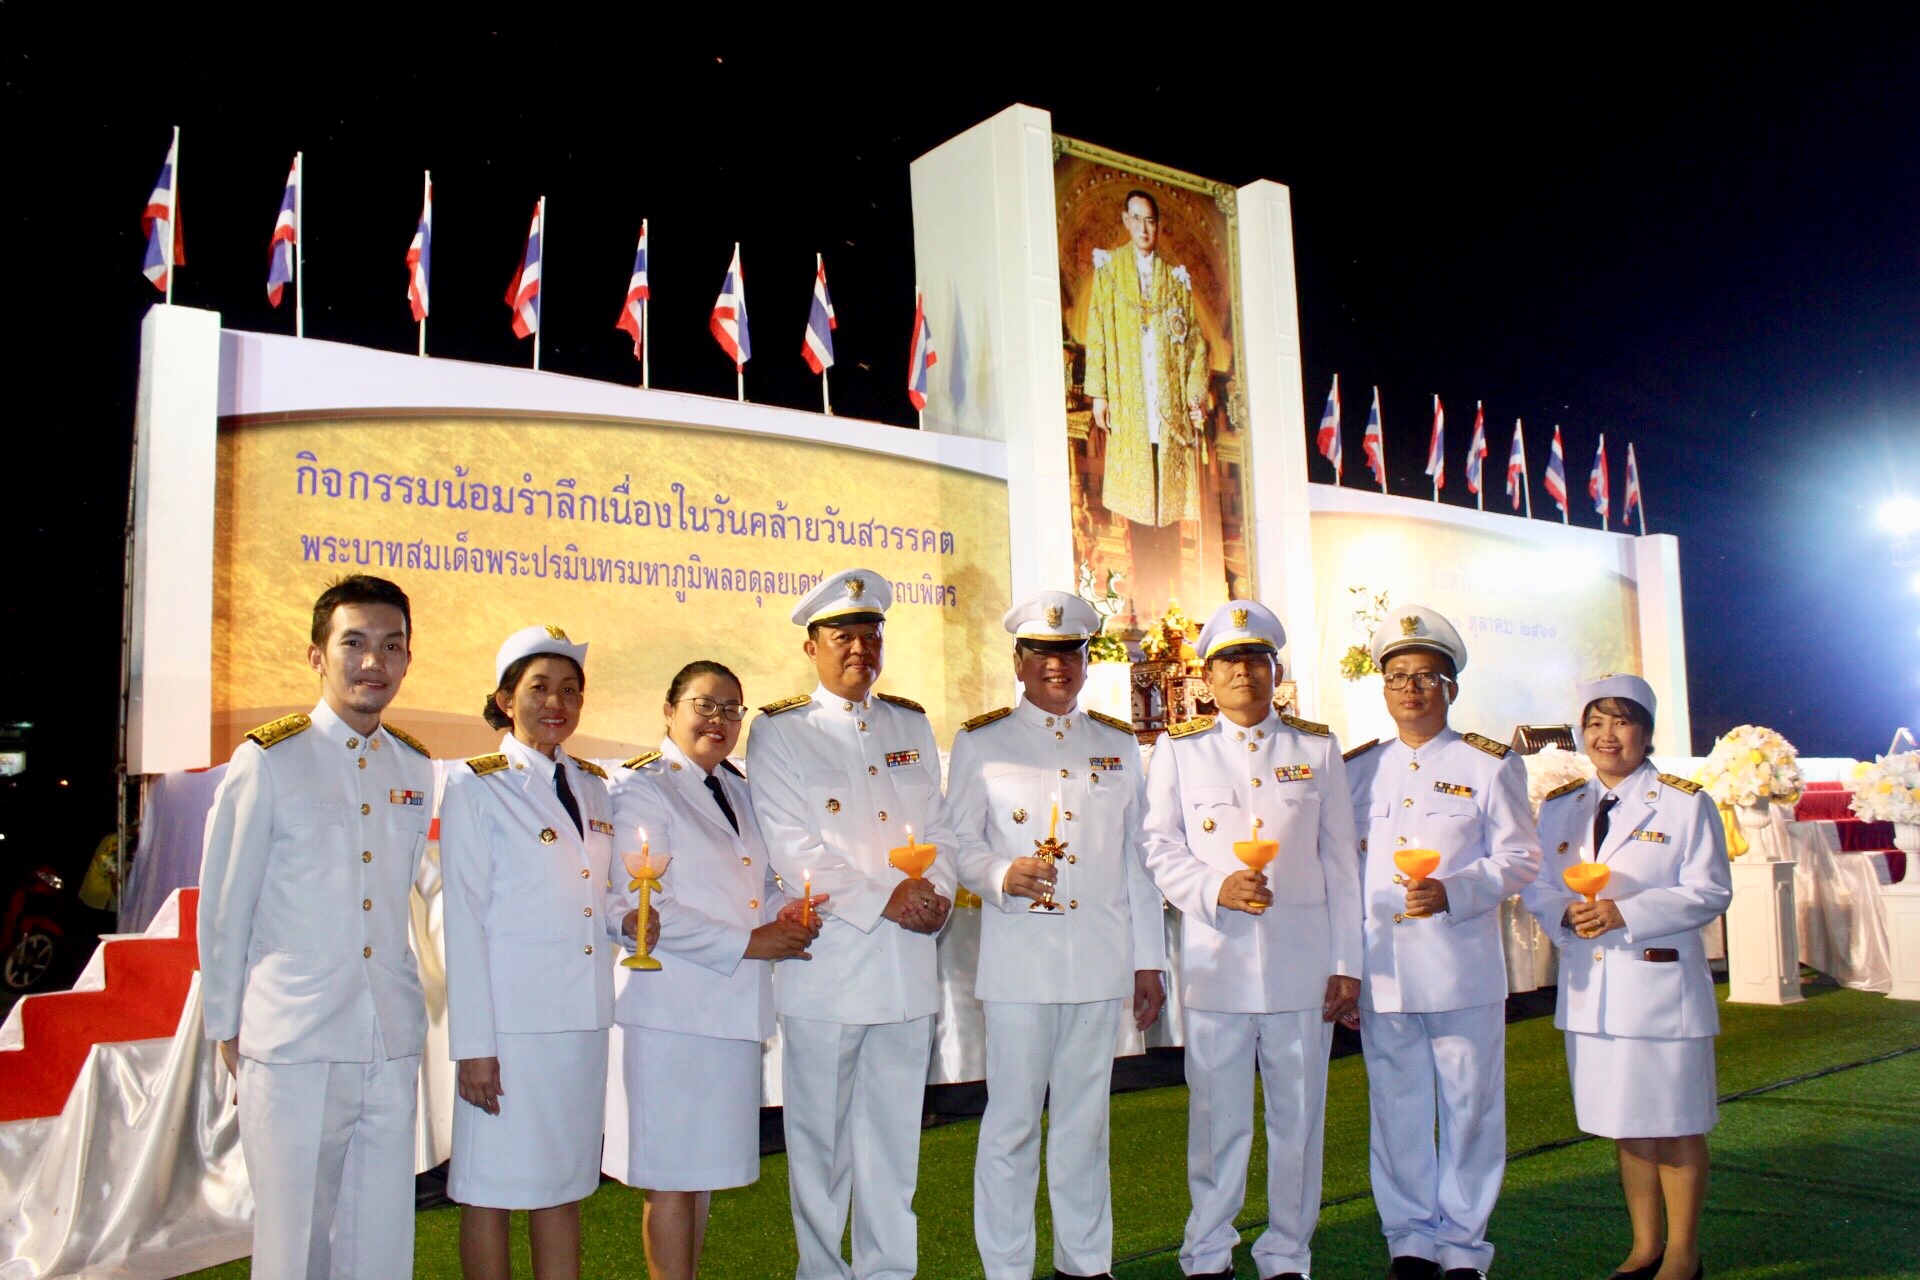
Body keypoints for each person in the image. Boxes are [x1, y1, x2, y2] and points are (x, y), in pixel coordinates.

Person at [199, 574, 434, 1280]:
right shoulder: (269, 758)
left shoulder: (415, 766)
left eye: (392, 646)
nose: (374, 663)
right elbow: (225, 906)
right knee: (293, 1242)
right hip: (293, 1040)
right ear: (316, 655)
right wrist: (228, 1029)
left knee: (382, 1239)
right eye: (354, 643)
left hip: (388, 1036)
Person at [744, 567, 959, 1280]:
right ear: (812, 647)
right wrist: (885, 899)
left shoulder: (908, 722)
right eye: (844, 636)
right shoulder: (781, 731)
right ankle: (822, 1270)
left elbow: (942, 828)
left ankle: (889, 1270)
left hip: (904, 968)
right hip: (831, 966)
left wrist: (940, 894)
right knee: (821, 1143)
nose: (860, 648)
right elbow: (791, 847)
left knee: (895, 1142)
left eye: (871, 635)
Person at [948, 591, 1169, 1280]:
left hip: (1099, 963)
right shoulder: (981, 742)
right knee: (1012, 1123)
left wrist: (1148, 962)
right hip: (1019, 963)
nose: (1056, 666)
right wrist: (995, 871)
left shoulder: (1114, 743)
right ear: (1018, 661)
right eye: (1042, 653)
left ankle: (1085, 1263)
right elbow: (953, 841)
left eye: (1069, 652)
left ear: (1084, 660)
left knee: (1085, 1123)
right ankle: (1009, 1268)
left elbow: (1137, 858)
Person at [1141, 600, 1362, 1280]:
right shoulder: (1180, 751)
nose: (1243, 672)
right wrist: (1213, 889)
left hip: (1302, 963)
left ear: (1275, 670)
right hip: (1218, 957)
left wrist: (1347, 962)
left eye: (1255, 659)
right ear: (1206, 677)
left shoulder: (1316, 748)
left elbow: (1341, 863)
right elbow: (1159, 849)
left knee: (1298, 1119)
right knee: (1217, 1120)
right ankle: (1208, 1249)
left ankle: (1288, 1250)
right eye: (1229, 661)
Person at [1342, 605, 1541, 1280]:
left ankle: (1462, 1245)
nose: (1411, 689)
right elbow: (1342, 871)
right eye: (1399, 676)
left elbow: (1519, 857)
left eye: (1427, 676)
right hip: (1384, 968)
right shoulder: (1358, 770)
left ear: (1450, 688)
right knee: (1396, 1109)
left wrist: (1457, 889)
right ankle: (1409, 1241)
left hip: (1459, 963)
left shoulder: (1488, 763)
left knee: (1470, 1106)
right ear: (1384, 687)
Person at [608, 659, 824, 1280]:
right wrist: (749, 942)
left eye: (733, 709)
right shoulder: (642, 789)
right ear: (669, 710)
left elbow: (756, 883)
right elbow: (645, 902)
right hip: (671, 1009)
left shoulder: (735, 788)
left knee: (697, 1177)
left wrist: (793, 907)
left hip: (729, 1006)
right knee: (671, 1179)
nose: (720, 720)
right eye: (705, 705)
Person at [1523, 674, 1729, 1280]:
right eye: (1594, 722)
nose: (1606, 735)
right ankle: (1645, 1248)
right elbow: (1538, 885)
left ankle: (1683, 1256)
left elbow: (1710, 890)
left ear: (1646, 732)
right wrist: (1565, 911)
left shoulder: (1685, 802)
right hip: (1592, 993)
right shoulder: (1563, 806)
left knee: (1677, 1120)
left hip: (1659, 989)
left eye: (1620, 721)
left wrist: (1626, 912)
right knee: (1627, 1123)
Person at [439, 625, 619, 1280]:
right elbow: (462, 919)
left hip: (580, 1023)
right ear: (505, 697)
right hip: (509, 1031)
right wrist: (474, 1046)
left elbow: (604, 899)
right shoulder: (475, 785)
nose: (557, 702)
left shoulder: (595, 786)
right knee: (489, 1193)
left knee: (565, 1188)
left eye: (570, 690)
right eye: (539, 687)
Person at [1084, 189, 1211, 530]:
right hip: (1129, 402)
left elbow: (1197, 344)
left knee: (1167, 499)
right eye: (1137, 219)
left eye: (1150, 221)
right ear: (1126, 220)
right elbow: (1096, 331)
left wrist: (1195, 397)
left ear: (1158, 226)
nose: (1143, 228)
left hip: (1167, 405)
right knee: (1138, 503)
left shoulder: (1175, 280)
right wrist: (1100, 395)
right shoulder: (1109, 271)